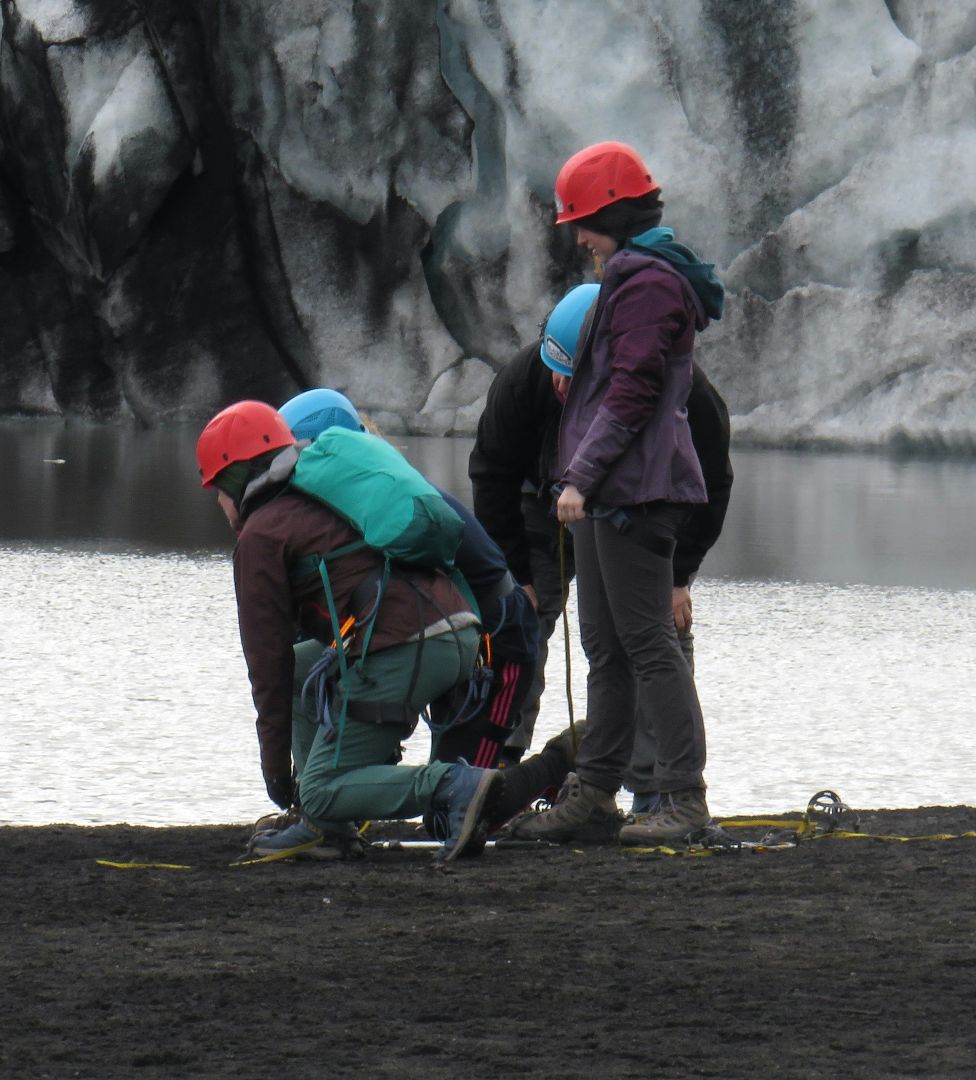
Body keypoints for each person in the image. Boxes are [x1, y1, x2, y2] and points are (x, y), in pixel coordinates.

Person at [505, 141, 727, 845]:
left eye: (584, 222)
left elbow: (630, 392)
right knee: (606, 645)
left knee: (648, 645)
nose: (577, 238)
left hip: (635, 491)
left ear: (617, 216)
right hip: (613, 493)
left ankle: (682, 800)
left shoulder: (649, 283)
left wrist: (581, 477)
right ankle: (596, 794)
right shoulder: (633, 275)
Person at [199, 399, 502, 864]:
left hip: (404, 645)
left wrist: (278, 775)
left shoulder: (261, 535)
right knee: (305, 666)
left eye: (218, 488)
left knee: (320, 790)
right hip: (458, 633)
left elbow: (267, 667)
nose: (219, 502)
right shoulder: (322, 494)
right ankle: (323, 825)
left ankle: (449, 786)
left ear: (237, 479)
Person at [470, 283, 733, 813]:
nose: (560, 386)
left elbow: (713, 485)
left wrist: (680, 577)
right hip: (540, 504)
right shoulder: (527, 379)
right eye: (556, 372)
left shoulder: (687, 395)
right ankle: (496, 770)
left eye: (573, 376)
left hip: (634, 503)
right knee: (519, 624)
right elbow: (491, 474)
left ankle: (656, 790)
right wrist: (515, 573)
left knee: (655, 633)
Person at [277, 389, 577, 832]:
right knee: (306, 671)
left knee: (453, 818)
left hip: (499, 648)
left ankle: (561, 761)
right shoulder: (374, 490)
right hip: (444, 639)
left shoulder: (387, 502)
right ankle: (322, 809)